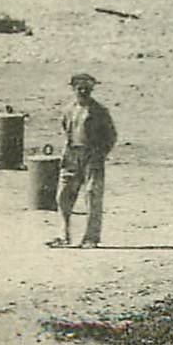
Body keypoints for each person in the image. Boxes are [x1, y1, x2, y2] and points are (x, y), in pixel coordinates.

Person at [53, 72, 117, 248]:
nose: (83, 91)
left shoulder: (99, 111)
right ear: (73, 89)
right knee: (63, 195)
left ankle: (91, 237)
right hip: (72, 155)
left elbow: (111, 136)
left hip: (92, 155)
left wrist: (100, 153)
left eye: (86, 88)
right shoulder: (68, 110)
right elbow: (66, 130)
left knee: (92, 194)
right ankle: (63, 235)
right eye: (79, 88)